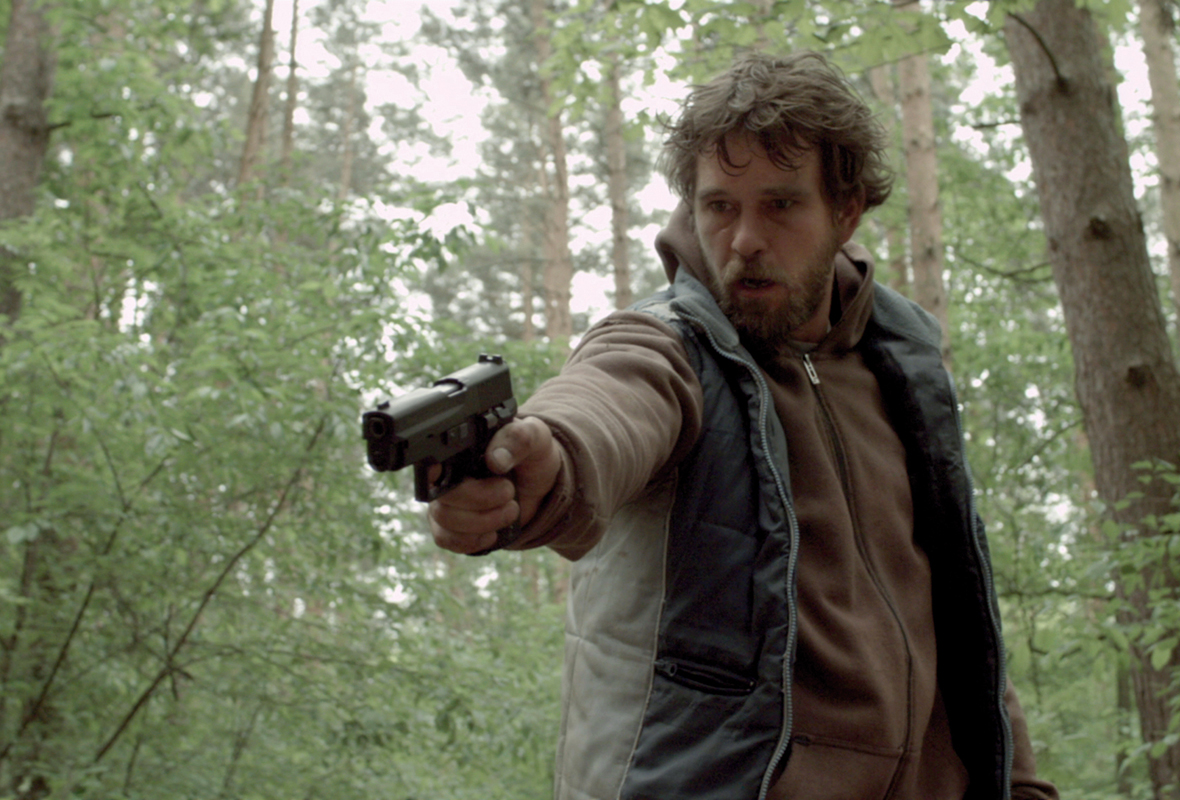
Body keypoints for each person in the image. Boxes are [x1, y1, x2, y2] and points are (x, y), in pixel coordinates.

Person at [429, 51, 1059, 800]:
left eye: (780, 205)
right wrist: (546, 464)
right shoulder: (668, 347)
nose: (744, 239)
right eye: (720, 206)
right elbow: (606, 404)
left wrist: (1021, 783)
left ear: (846, 212)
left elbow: (956, 611)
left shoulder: (904, 370)